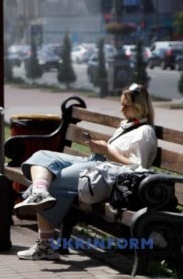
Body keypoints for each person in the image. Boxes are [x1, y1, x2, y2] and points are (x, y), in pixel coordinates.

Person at [14, 83, 157, 261]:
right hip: (97, 163)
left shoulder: (144, 132)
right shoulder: (128, 125)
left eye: (126, 105)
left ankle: (46, 245)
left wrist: (108, 151)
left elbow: (137, 168)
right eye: (121, 104)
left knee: (57, 180)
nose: (122, 109)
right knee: (41, 155)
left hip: (110, 175)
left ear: (140, 106)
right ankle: (39, 192)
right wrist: (100, 148)